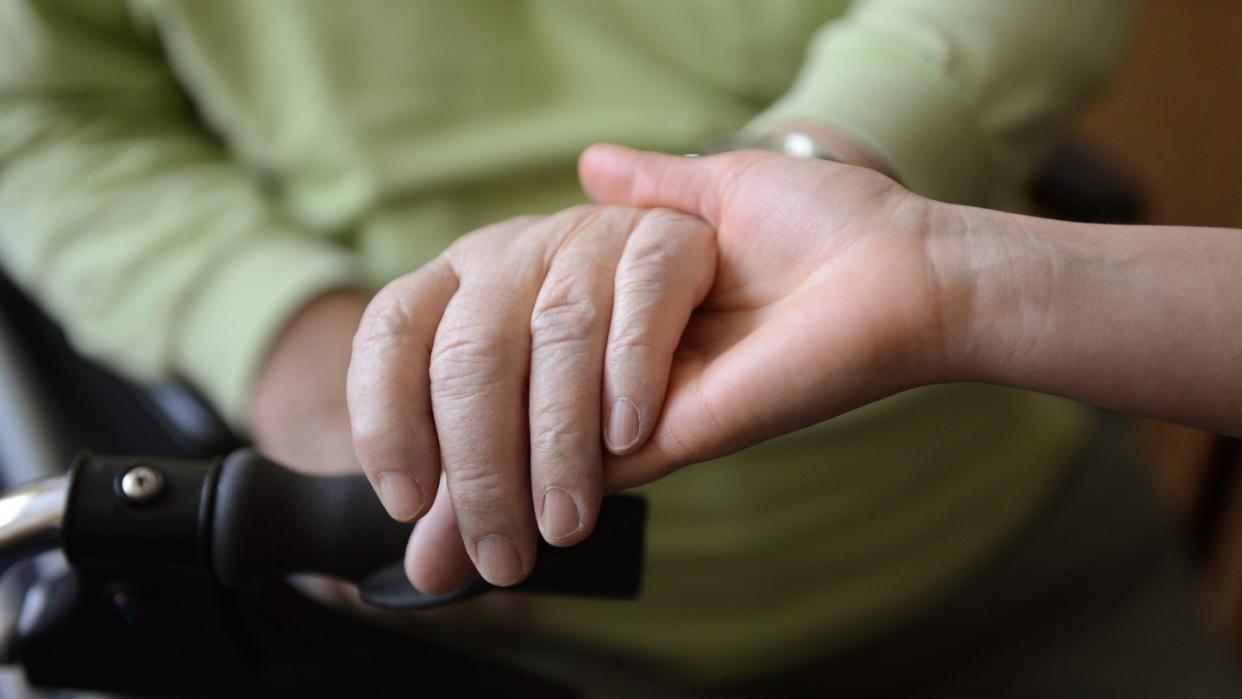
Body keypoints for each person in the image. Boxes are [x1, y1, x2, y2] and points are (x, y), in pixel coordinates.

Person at [1, 0, 1144, 687]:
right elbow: (41, 111)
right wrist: (273, 328)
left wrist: (815, 166)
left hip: (1014, 550)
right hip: (500, 644)